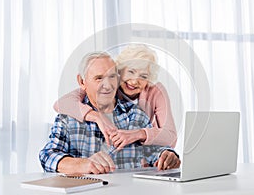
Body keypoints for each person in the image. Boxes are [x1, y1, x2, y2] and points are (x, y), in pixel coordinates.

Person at [39, 52, 181, 174]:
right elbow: (48, 156)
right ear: (82, 82)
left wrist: (167, 155)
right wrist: (83, 164)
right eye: (99, 78)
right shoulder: (68, 117)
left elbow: (155, 150)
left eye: (112, 77)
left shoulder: (135, 115)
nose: (107, 85)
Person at [53, 44, 177, 150]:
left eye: (143, 76)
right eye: (131, 72)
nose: (134, 81)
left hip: (142, 160)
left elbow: (171, 137)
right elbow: (61, 104)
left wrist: (138, 134)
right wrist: (97, 117)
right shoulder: (108, 86)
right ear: (120, 71)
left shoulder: (155, 91)